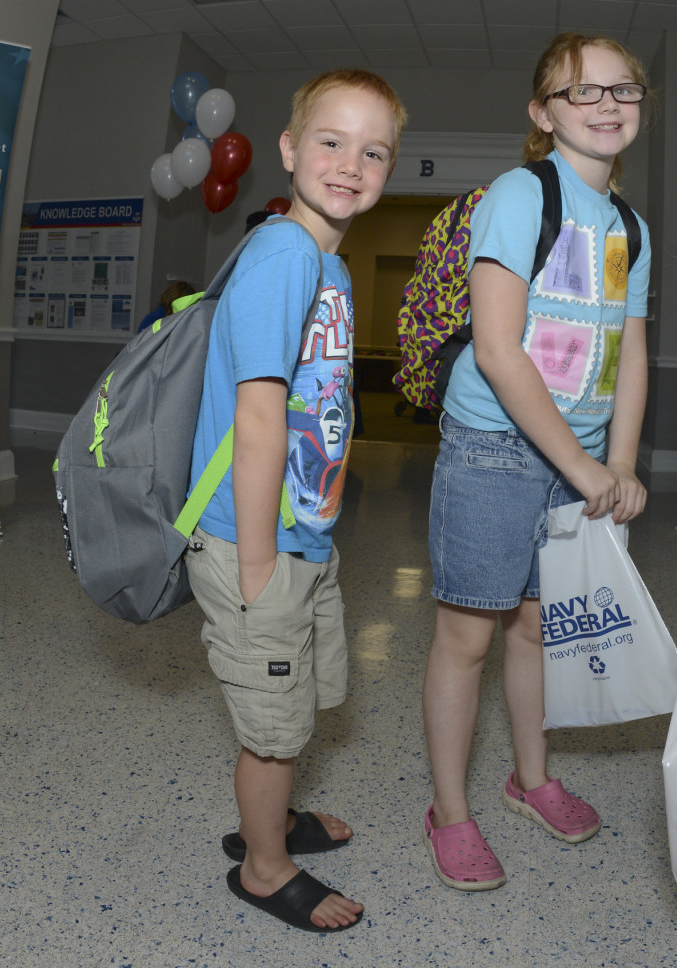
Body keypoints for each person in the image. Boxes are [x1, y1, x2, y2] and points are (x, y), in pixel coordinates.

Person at [421, 32, 652, 892]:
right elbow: (497, 349)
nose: (604, 104)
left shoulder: (631, 225)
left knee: (537, 634)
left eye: (622, 90)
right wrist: (587, 470)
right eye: (581, 91)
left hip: (579, 463)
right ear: (541, 112)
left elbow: (630, 349)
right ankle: (449, 812)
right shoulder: (522, 194)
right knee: (467, 637)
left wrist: (618, 459)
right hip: (493, 453)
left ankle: (531, 778)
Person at [182, 69, 406, 932]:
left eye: (373, 150)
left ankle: (273, 820)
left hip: (299, 531)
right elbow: (262, 411)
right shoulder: (283, 253)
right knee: (270, 725)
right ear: (288, 149)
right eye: (330, 141)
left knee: (296, 700)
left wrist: (304, 536)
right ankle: (265, 869)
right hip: (257, 539)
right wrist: (255, 564)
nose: (351, 163)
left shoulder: (328, 266)